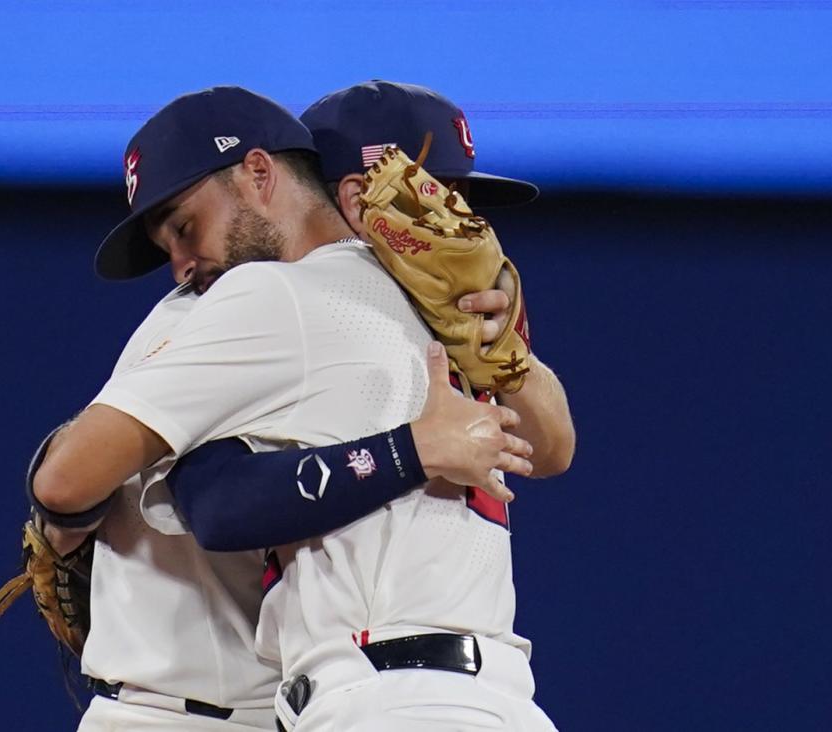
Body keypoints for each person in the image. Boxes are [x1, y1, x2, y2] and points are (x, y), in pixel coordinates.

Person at [36, 84, 573, 731]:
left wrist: (508, 358)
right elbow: (199, 497)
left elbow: (551, 450)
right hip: (427, 696)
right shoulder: (300, 297)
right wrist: (411, 448)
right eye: (433, 191)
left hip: (390, 697)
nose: (456, 223)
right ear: (356, 197)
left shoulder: (455, 306)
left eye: (458, 201)